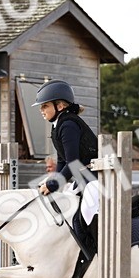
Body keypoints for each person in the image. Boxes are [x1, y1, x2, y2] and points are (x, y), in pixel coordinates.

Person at [32, 79, 100, 259]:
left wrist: (54, 185)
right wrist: (52, 181)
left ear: (60, 105)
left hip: (97, 178)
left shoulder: (68, 124)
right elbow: (62, 161)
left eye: (44, 106)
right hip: (83, 177)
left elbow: (73, 162)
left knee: (84, 215)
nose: (41, 110)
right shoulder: (58, 126)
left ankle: (98, 253)